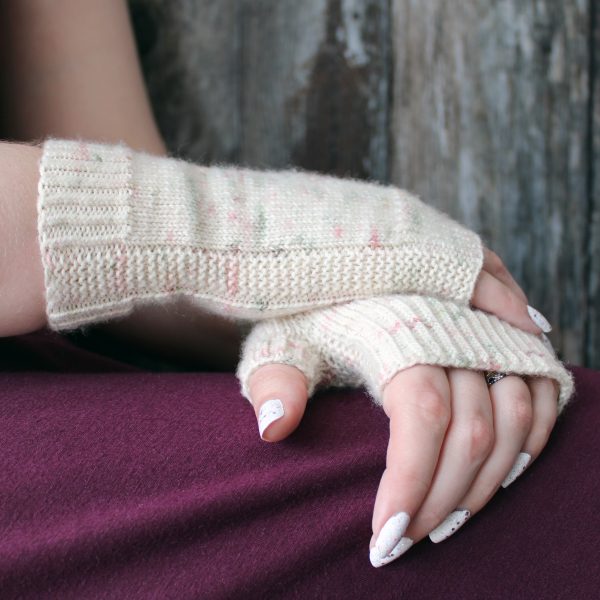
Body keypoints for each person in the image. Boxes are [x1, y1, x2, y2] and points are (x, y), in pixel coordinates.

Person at [0, 0, 573, 570]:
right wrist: (243, 222)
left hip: (65, 377)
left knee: (528, 444)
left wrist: (348, 302)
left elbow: (131, 274)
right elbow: (156, 228)